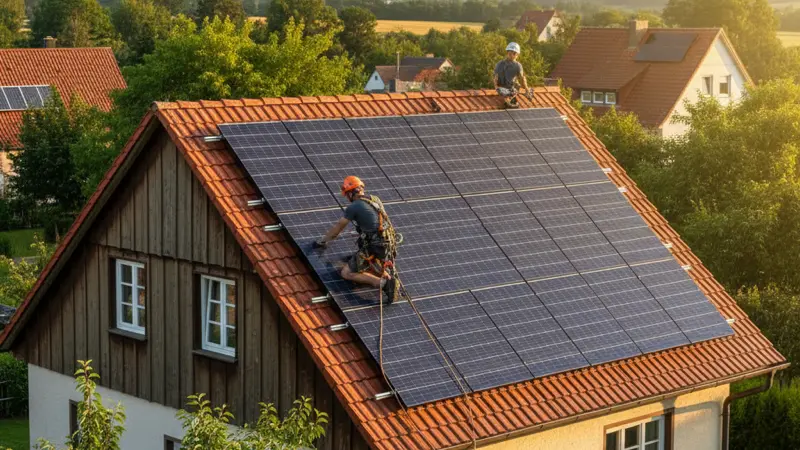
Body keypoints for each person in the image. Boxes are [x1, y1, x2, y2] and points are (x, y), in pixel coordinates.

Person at [313, 176, 399, 303]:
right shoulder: (375, 199)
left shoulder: (354, 207)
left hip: (376, 246)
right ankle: (386, 274)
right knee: (365, 257)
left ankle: (383, 283)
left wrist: (322, 241)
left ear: (350, 193)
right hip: (389, 243)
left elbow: (338, 228)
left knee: (346, 273)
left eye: (347, 194)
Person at [494, 42, 534, 108]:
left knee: (517, 86)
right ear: (507, 52)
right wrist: (497, 88)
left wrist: (526, 90)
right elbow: (495, 78)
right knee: (509, 94)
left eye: (514, 53)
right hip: (503, 89)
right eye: (510, 53)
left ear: (517, 54)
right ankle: (509, 100)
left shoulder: (517, 65)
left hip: (510, 89)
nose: (512, 55)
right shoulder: (500, 64)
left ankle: (511, 99)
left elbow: (522, 78)